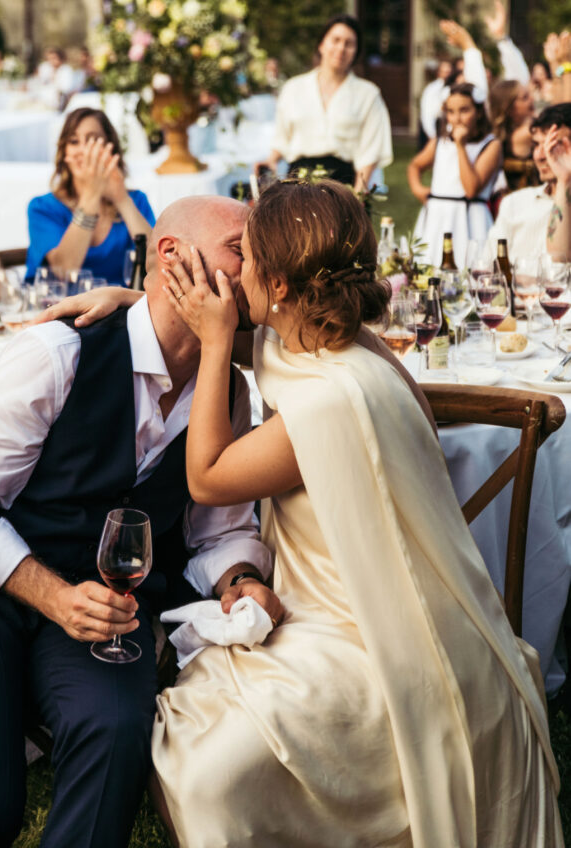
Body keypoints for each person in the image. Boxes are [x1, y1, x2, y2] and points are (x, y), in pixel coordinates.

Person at [149, 179, 562, 848]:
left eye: (245, 257)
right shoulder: (342, 345)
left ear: (278, 284)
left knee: (203, 765)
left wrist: (216, 337)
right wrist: (133, 302)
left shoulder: (330, 399)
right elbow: (394, 406)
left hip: (369, 636)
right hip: (365, 609)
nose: (236, 271)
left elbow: (205, 477)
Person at [0, 195, 280, 848]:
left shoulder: (230, 394)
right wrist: (53, 596)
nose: (259, 265)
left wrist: (237, 577)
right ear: (171, 255)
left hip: (107, 607)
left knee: (113, 735)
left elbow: (220, 531)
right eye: (242, 248)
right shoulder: (55, 353)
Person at [255, 14, 392, 192]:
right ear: (321, 44)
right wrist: (270, 161)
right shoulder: (293, 88)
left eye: (349, 43)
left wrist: (358, 198)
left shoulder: (368, 94)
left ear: (356, 52)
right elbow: (282, 139)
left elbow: (369, 154)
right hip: (297, 186)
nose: (341, 48)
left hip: (343, 186)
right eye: (335, 40)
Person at [25, 107, 155, 283]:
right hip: (60, 307)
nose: (84, 151)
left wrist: (122, 200)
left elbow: (156, 262)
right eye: (74, 141)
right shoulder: (43, 208)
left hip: (124, 307)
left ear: (111, 148)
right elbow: (64, 270)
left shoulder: (136, 201)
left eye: (92, 140)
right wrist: (91, 195)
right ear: (64, 152)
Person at [408, 81, 502, 267]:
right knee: (429, 267)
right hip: (438, 217)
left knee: (468, 269)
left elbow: (471, 189)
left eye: (464, 110)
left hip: (469, 218)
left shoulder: (491, 145)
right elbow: (415, 165)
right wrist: (418, 189)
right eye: (450, 112)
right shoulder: (440, 142)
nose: (456, 118)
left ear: (479, 112)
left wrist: (460, 146)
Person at [489, 102, 571, 263]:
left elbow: (558, 259)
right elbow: (488, 269)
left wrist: (564, 180)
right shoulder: (514, 204)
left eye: (553, 145)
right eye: (536, 145)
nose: (540, 156)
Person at [489, 78, 537, 191]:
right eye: (525, 98)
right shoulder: (524, 134)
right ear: (509, 109)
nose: (532, 99)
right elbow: (565, 113)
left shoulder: (509, 133)